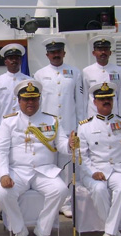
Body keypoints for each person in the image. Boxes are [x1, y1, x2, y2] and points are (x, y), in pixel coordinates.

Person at [0, 80, 74, 236]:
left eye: (34, 99)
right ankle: (19, 230)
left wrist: (70, 144)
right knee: (2, 193)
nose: (30, 103)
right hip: (18, 171)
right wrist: (3, 174)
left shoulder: (51, 120)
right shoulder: (8, 122)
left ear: (39, 99)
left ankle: (42, 229)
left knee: (60, 190)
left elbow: (61, 145)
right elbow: (1, 150)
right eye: (26, 99)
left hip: (44, 171)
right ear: (19, 100)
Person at [77, 83, 121, 236]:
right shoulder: (85, 126)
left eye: (109, 98)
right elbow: (82, 155)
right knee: (100, 190)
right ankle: (114, 233)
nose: (106, 102)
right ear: (95, 102)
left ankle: (109, 233)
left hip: (117, 169)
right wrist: (93, 172)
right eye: (102, 99)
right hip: (93, 170)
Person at [33, 36, 84, 218]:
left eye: (58, 52)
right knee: (47, 165)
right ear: (47, 54)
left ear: (64, 52)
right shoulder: (39, 75)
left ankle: (67, 203)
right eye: (52, 52)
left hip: (68, 125)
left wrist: (79, 127)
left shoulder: (75, 73)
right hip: (47, 129)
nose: (56, 55)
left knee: (67, 166)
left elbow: (80, 103)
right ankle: (49, 200)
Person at [82, 36, 121, 119]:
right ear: (94, 53)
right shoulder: (87, 71)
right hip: (93, 116)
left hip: (113, 116)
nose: (103, 52)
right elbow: (84, 98)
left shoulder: (118, 71)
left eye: (106, 49)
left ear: (110, 52)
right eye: (100, 50)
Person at [0, 43, 31, 126]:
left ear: (20, 61)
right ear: (5, 61)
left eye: (17, 58)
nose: (14, 61)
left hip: (24, 124)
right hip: (4, 124)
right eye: (11, 58)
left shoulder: (29, 81)